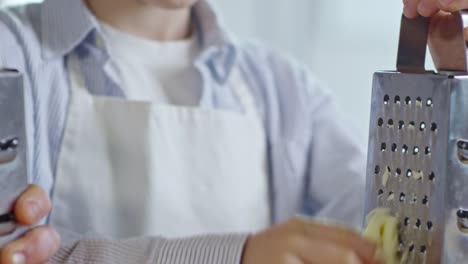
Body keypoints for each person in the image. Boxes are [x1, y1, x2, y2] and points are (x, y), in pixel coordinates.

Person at [0, 0, 464, 263]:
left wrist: (458, 101)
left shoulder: (282, 90)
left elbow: (392, 237)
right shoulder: (13, 53)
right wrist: (235, 256)